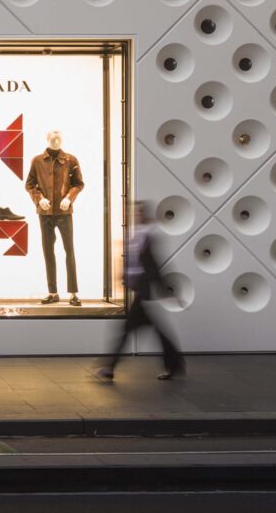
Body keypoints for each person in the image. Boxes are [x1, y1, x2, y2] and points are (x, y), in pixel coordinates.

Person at [95, 200, 186, 382]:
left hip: (144, 291)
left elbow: (153, 265)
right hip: (141, 291)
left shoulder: (148, 236)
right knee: (156, 331)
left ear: (145, 215)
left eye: (138, 213)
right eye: (134, 213)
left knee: (127, 329)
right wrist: (124, 276)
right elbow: (133, 261)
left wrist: (166, 289)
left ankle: (110, 367)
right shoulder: (137, 235)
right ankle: (174, 364)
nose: (135, 216)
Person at [25, 129, 85, 305]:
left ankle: (73, 293)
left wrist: (69, 198)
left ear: (62, 139)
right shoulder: (37, 161)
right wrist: (39, 199)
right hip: (45, 214)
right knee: (48, 251)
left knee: (69, 250)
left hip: (64, 213)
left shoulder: (71, 160)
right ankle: (53, 292)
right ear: (47, 139)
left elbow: (78, 184)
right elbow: (30, 184)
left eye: (58, 137)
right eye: (53, 137)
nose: (56, 140)